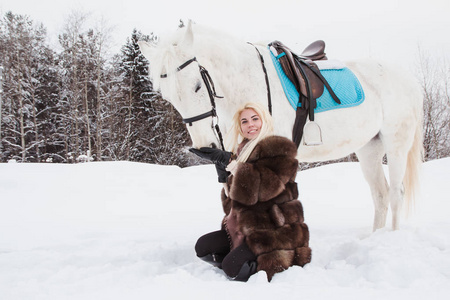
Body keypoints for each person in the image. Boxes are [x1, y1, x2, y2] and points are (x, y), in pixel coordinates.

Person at [190, 102, 311, 282]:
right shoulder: (242, 153)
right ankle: (240, 257)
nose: (250, 125)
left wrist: (232, 166)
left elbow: (265, 189)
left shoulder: (280, 149)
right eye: (244, 121)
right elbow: (234, 204)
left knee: (232, 268)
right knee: (203, 247)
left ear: (265, 121)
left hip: (275, 232)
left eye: (255, 119)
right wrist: (225, 179)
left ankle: (268, 264)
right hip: (246, 228)